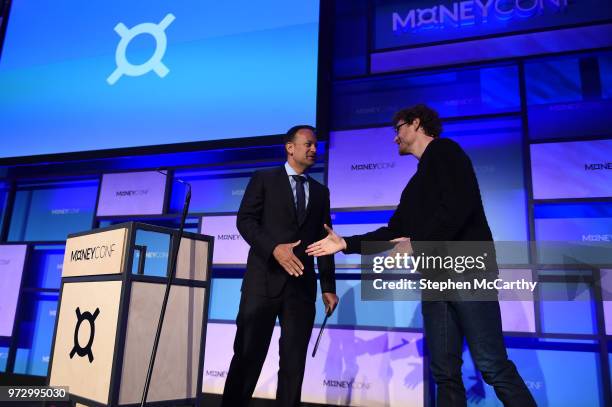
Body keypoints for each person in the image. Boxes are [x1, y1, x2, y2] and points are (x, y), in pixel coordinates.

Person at [306, 105, 536, 407]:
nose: (395, 137)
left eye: (398, 128)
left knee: (492, 364)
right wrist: (345, 244)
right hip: (436, 276)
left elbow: (458, 207)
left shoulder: (446, 151)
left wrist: (419, 243)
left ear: (415, 124)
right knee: (444, 371)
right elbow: (393, 232)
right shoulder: (415, 185)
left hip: (467, 270)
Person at [221, 125, 339, 407]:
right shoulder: (264, 178)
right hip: (262, 283)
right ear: (290, 147)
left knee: (294, 364)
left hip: (301, 287)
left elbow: (326, 239)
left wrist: (328, 287)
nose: (314, 149)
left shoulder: (321, 192)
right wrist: (274, 249)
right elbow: (245, 221)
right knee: (247, 357)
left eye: (316, 145)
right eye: (308, 144)